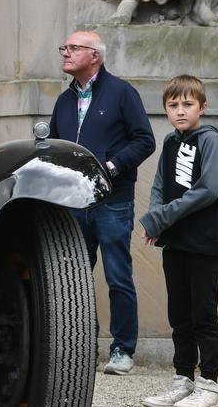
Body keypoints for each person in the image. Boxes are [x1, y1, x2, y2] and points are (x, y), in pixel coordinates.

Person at [49, 31, 155, 374]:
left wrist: (112, 165)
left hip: (112, 201)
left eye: (73, 48)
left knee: (118, 276)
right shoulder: (64, 101)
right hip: (72, 203)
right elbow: (52, 145)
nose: (66, 52)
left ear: (95, 56)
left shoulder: (122, 93)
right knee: (72, 278)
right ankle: (81, 349)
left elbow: (145, 140)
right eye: (64, 47)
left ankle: (123, 351)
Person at [140, 76, 218, 407]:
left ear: (202, 107)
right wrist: (155, 219)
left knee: (203, 314)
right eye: (173, 105)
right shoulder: (169, 142)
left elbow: (208, 189)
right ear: (165, 109)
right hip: (175, 242)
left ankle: (209, 384)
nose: (180, 111)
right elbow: (160, 186)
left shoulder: (210, 140)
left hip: (204, 243)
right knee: (180, 314)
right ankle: (183, 380)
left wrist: (163, 217)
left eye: (187, 104)